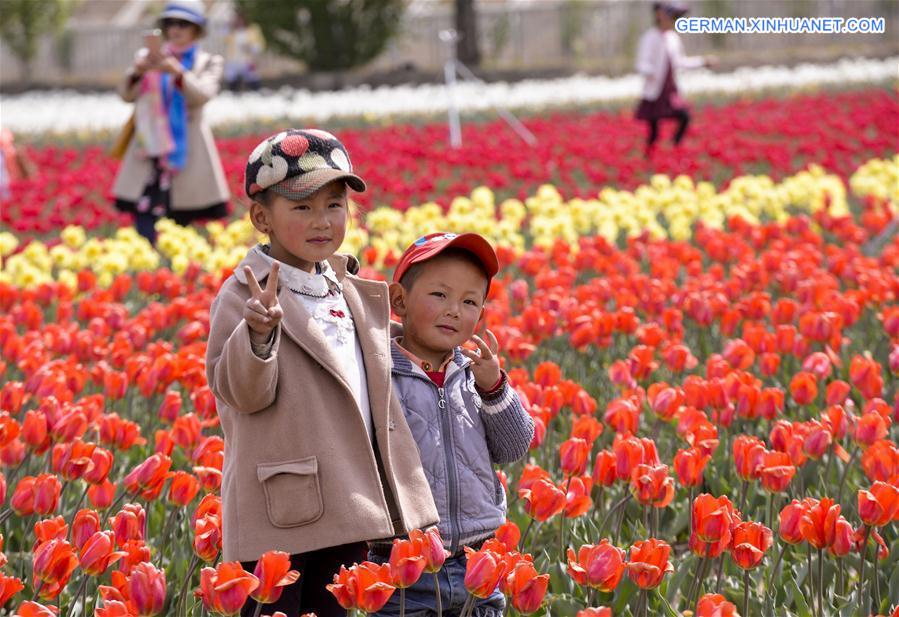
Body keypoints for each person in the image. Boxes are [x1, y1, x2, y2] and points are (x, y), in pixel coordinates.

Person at [205, 128, 438, 617]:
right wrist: (258, 334)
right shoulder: (245, 295)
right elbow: (240, 395)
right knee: (276, 607)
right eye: (302, 207)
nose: (322, 221)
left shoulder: (345, 288)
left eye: (334, 205)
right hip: (283, 506)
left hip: (348, 498)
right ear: (261, 218)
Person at [369, 232, 535, 617]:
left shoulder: (475, 376)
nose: (455, 310)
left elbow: (513, 447)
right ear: (399, 301)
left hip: (479, 557)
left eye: (470, 301)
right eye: (439, 295)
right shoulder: (380, 379)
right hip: (405, 565)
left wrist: (494, 388)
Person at [111, 0, 229, 244]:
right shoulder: (147, 58)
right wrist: (137, 72)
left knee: (181, 213)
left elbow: (202, 96)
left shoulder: (207, 61)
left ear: (197, 29)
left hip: (186, 149)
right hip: (150, 146)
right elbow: (126, 94)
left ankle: (171, 267)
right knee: (143, 209)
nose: (175, 29)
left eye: (183, 24)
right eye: (170, 23)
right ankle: (147, 257)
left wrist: (177, 73)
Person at [634, 1, 717, 157]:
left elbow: (680, 61)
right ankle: (649, 159)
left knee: (684, 117)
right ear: (659, 15)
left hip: (670, 90)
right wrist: (652, 72)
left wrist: (703, 62)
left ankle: (675, 147)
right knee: (654, 131)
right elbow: (641, 63)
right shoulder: (650, 37)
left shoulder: (673, 38)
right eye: (673, 16)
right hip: (655, 91)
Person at [224, 9, 265, 91]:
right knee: (233, 82)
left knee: (253, 80)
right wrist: (228, 25)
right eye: (237, 19)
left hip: (248, 60)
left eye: (240, 19)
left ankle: (257, 96)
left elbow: (260, 46)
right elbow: (222, 36)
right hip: (233, 61)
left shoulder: (253, 30)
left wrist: (250, 48)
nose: (239, 21)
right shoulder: (231, 32)